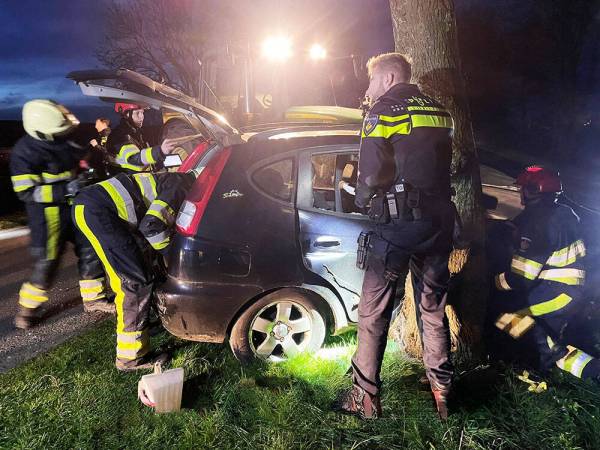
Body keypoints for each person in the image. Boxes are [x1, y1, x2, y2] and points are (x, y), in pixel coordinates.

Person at [337, 53, 456, 420]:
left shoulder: (382, 110)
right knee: (432, 308)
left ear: (389, 77)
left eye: (371, 81)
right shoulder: (440, 111)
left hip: (398, 227)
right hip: (439, 225)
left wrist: (356, 198)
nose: (368, 89)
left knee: (373, 312)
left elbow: (371, 176)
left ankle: (365, 397)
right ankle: (442, 391)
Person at [72, 170, 195, 371]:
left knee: (138, 269)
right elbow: (151, 227)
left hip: (89, 205)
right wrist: (176, 257)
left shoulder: (174, 178)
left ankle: (144, 322)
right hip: (100, 212)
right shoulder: (179, 186)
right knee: (134, 282)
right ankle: (131, 358)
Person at [488, 166, 600, 382]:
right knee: (537, 334)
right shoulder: (562, 212)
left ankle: (539, 375)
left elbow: (521, 275)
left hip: (557, 292)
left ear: (533, 190)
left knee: (514, 322)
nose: (520, 193)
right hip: (567, 290)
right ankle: (539, 363)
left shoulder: (537, 221)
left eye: (523, 188)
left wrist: (494, 282)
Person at [10, 100, 113, 329]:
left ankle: (94, 299)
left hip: (73, 207)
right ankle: (28, 309)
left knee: (89, 251)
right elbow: (26, 191)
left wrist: (88, 165)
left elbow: (80, 158)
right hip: (47, 217)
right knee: (47, 263)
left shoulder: (61, 139)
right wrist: (66, 189)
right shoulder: (23, 153)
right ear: (41, 131)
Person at [107, 103, 176, 173]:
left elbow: (146, 157)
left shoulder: (137, 132)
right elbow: (134, 159)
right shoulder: (120, 135)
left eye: (142, 112)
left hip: (144, 176)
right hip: (131, 179)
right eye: (137, 113)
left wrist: (161, 162)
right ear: (127, 115)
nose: (142, 117)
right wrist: (160, 151)